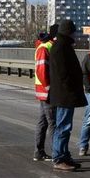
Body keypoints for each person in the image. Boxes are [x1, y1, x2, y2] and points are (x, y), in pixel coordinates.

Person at [47, 20, 86, 172]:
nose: (75, 34)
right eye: (74, 32)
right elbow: (63, 73)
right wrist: (71, 86)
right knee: (63, 127)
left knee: (64, 127)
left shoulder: (61, 46)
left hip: (64, 93)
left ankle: (64, 155)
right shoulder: (61, 48)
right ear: (69, 32)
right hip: (64, 94)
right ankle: (59, 157)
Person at [32, 25, 57, 162]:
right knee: (52, 122)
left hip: (43, 91)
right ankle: (57, 154)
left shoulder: (45, 47)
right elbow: (41, 71)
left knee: (43, 122)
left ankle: (39, 152)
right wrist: (49, 88)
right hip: (46, 92)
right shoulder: (45, 48)